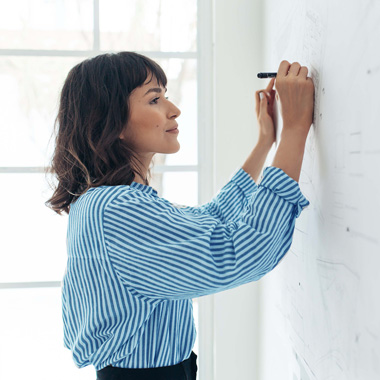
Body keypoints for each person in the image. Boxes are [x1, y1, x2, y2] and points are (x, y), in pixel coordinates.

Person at [45, 52, 314, 380]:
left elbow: (210, 218)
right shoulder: (114, 210)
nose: (174, 109)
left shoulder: (113, 201)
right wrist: (295, 131)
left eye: (166, 96)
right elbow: (243, 252)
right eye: (155, 99)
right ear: (110, 121)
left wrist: (265, 143)